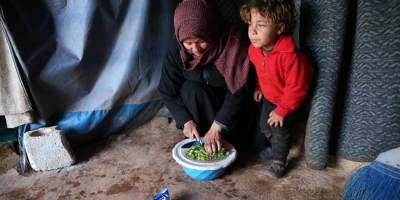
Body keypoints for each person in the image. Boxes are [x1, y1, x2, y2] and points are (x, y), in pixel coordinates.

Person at [158, 0, 252, 153]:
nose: (195, 49)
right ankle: (200, 140)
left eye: (201, 41)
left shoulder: (232, 43)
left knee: (246, 142)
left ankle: (224, 139)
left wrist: (218, 126)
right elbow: (167, 90)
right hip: (201, 104)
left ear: (211, 31)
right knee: (191, 89)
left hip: (230, 109)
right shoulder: (176, 49)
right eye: (188, 43)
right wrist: (185, 121)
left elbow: (239, 91)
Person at [240, 0, 313, 178]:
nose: (252, 31)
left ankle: (279, 160)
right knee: (264, 126)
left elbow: (297, 87)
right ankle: (280, 145)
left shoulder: (291, 57)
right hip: (269, 97)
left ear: (279, 28)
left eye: (261, 25)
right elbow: (260, 71)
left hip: (289, 101)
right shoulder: (254, 50)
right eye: (251, 23)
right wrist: (258, 87)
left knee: (279, 130)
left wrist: (282, 111)